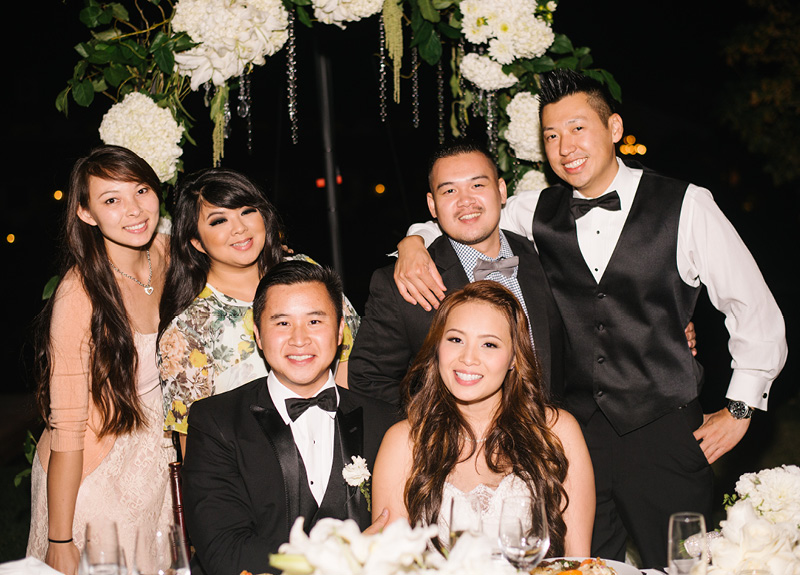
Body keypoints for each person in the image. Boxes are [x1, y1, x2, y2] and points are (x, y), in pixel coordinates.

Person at [393, 70, 787, 567]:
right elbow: (468, 214)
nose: (565, 147)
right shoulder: (533, 209)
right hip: (573, 437)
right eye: (551, 136)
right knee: (580, 565)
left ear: (614, 128)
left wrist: (741, 407)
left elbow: (752, 306)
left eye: (577, 128)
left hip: (664, 430)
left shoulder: (686, 204)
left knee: (683, 563)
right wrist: (412, 240)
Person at [180, 260, 398, 575]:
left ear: (340, 331)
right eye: (282, 323)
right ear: (258, 335)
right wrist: (339, 560)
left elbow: (397, 538)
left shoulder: (387, 422)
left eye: (314, 321)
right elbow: (224, 551)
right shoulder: (216, 422)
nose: (299, 339)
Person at [27, 145, 173, 575]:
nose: (134, 210)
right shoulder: (79, 293)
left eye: (141, 190)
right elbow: (67, 426)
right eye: (112, 200)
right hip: (93, 473)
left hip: (158, 461)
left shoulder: (165, 253)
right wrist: (60, 538)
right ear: (86, 213)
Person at [372, 281, 595, 557]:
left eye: (489, 344)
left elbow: (579, 563)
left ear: (514, 358)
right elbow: (391, 564)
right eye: (456, 340)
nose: (468, 358)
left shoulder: (556, 431)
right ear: (437, 347)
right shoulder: (405, 441)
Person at [348, 139, 566, 407]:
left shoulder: (545, 256)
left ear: (501, 191)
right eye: (449, 190)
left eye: (477, 185)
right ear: (432, 205)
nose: (465, 201)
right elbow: (368, 379)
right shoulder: (401, 283)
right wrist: (440, 422)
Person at [157, 168, 360, 451]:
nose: (239, 228)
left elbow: (350, 360)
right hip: (247, 470)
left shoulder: (305, 274)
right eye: (219, 220)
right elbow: (195, 444)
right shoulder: (189, 327)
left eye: (247, 211)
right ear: (196, 242)